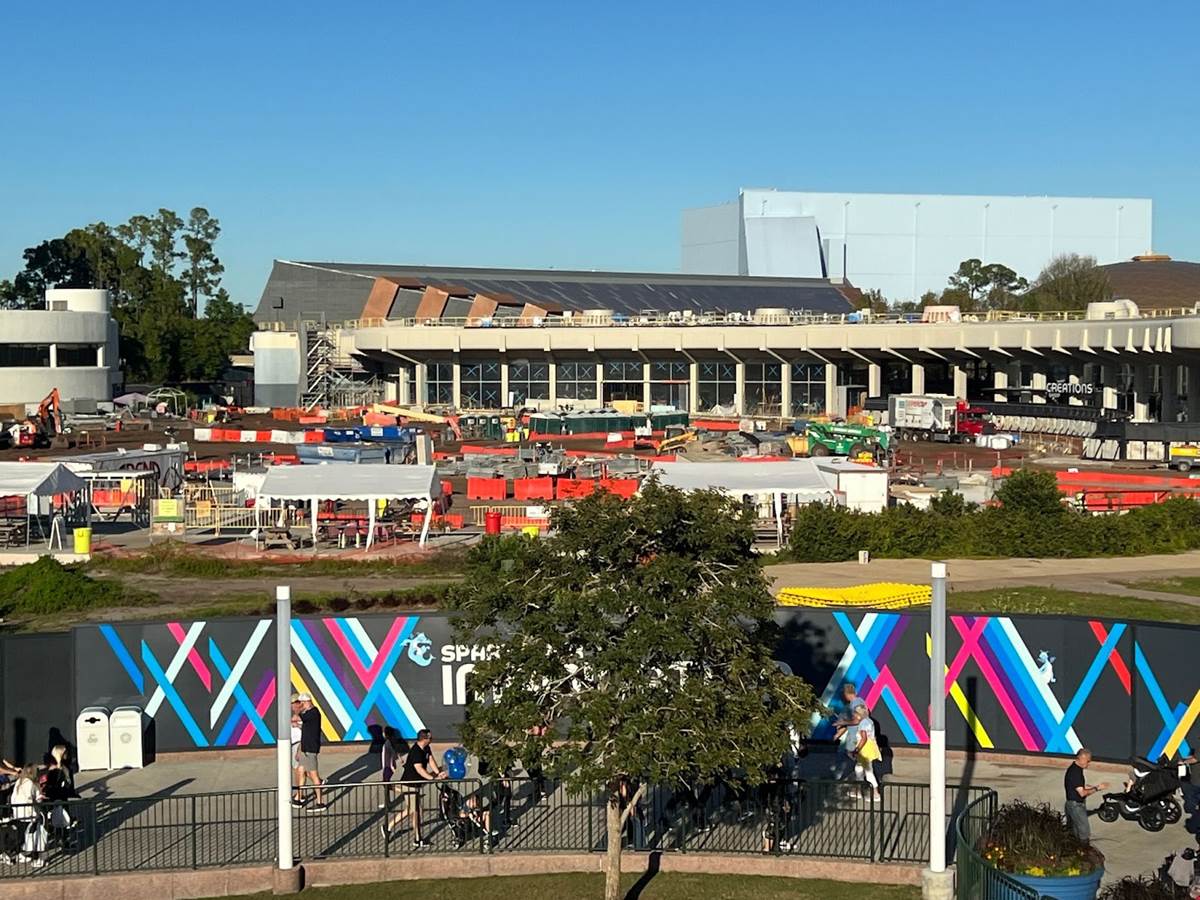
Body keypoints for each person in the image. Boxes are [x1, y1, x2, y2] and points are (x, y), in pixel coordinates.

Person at [381, 728, 447, 849]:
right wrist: (432, 778)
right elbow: (419, 769)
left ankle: (388, 827)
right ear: (424, 739)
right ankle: (417, 839)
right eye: (430, 737)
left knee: (410, 810)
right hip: (410, 784)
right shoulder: (416, 751)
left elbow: (431, 760)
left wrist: (438, 773)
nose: (432, 739)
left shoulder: (426, 748)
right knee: (416, 811)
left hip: (415, 785)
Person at [2, 766, 47, 867]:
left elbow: (13, 797)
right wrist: (41, 797)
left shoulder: (19, 782)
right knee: (32, 835)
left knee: (21, 835)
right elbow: (38, 798)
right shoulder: (32, 783)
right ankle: (29, 855)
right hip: (29, 814)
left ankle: (17, 853)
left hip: (18, 813)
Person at [1064, 748, 1107, 842]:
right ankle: (1083, 849)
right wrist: (1097, 788)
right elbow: (1082, 793)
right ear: (1082, 758)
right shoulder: (1075, 773)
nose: (1089, 763)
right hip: (1076, 806)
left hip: (1071, 804)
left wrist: (1090, 787)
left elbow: (1077, 787)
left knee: (1074, 831)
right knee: (1084, 833)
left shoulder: (1075, 769)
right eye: (1088, 761)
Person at [293, 693, 326, 811]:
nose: (300, 705)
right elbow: (307, 728)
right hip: (305, 747)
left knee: (313, 774)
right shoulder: (309, 714)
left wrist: (298, 710)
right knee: (301, 770)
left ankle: (320, 802)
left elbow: (297, 717)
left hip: (311, 748)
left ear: (307, 702)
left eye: (302, 703)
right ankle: (299, 797)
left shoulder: (313, 712)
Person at [831, 683, 867, 780]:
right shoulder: (857, 703)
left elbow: (858, 720)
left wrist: (842, 722)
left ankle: (861, 779)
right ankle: (841, 776)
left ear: (847, 694)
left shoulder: (856, 703)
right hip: (852, 735)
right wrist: (839, 733)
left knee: (853, 756)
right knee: (845, 754)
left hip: (856, 736)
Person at [851, 705, 882, 803]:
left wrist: (856, 750)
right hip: (869, 748)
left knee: (868, 772)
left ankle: (876, 794)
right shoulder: (869, 721)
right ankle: (858, 791)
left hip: (865, 750)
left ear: (859, 714)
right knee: (858, 769)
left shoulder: (863, 723)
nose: (854, 716)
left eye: (855, 714)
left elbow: (864, 738)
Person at [289, 697, 304, 806]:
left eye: (295, 703)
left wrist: (298, 725)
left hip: (299, 744)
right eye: (292, 704)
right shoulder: (294, 715)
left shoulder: (303, 715)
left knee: (300, 770)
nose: (293, 706)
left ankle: (299, 795)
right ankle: (300, 794)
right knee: (298, 770)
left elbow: (308, 729)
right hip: (293, 744)